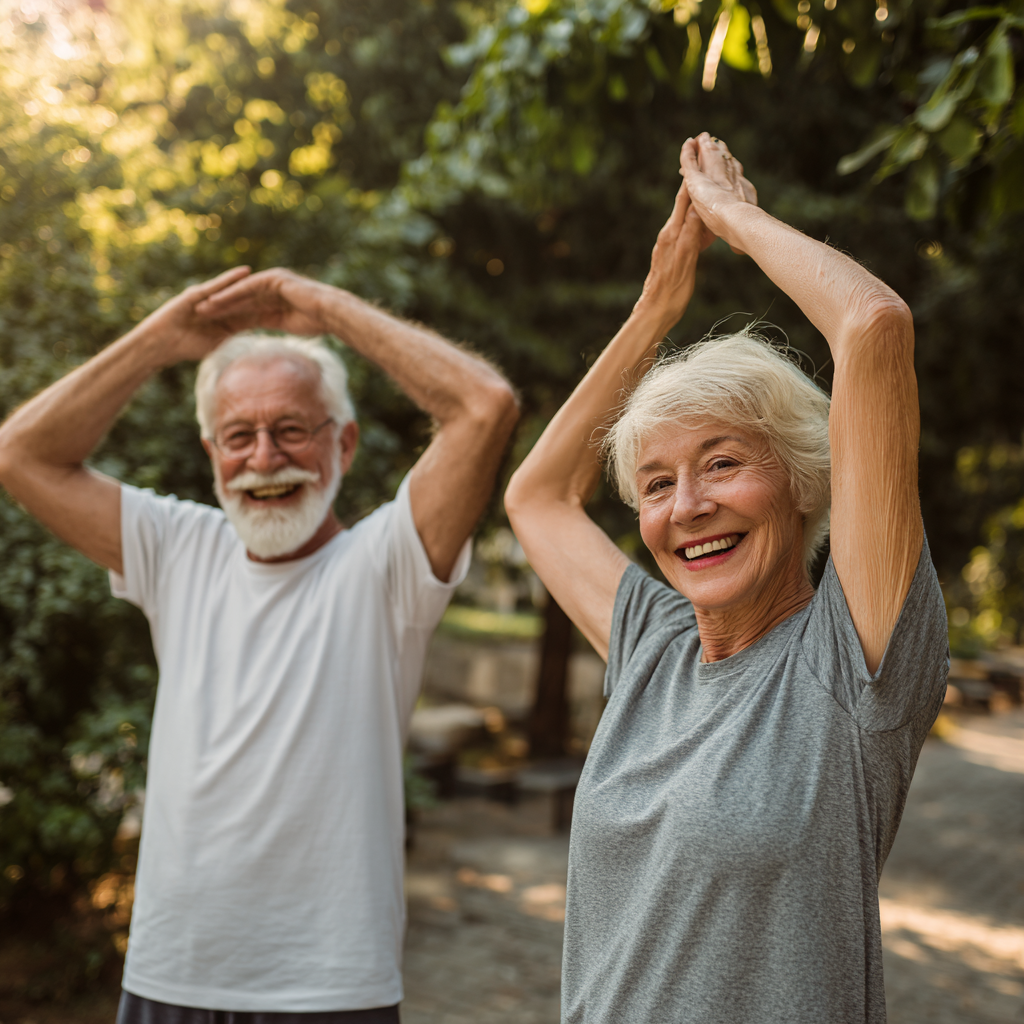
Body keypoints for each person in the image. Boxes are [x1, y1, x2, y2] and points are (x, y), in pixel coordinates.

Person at [504, 133, 948, 1023]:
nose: (688, 506)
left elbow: (872, 326)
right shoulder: (653, 648)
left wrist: (737, 221)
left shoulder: (849, 661)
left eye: (723, 463)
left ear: (800, 482)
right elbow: (538, 497)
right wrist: (655, 308)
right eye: (658, 484)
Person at [0, 266, 518, 1022]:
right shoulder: (178, 548)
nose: (265, 458)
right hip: (169, 976)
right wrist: (159, 342)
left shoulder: (386, 564)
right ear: (212, 452)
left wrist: (328, 310)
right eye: (239, 435)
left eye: (293, 430)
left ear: (343, 442)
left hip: (329, 989)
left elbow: (485, 406)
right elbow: (22, 454)